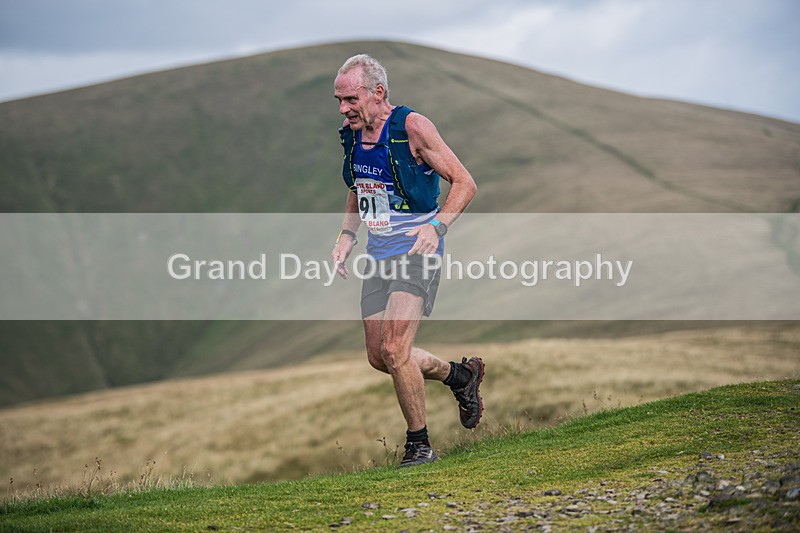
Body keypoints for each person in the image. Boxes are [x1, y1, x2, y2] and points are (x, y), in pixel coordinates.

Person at [331, 54, 484, 467]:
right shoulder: (352, 135)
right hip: (378, 254)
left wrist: (436, 227)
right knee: (380, 356)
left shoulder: (412, 127)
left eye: (350, 99)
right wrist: (347, 235)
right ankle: (459, 375)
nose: (343, 109)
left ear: (378, 92)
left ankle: (420, 446)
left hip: (418, 251)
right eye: (339, 100)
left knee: (396, 348)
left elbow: (465, 182)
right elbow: (358, 186)